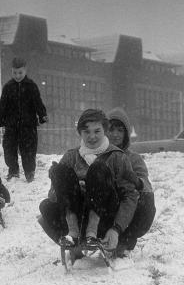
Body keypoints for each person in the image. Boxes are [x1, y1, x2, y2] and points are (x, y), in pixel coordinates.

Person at [37, 108, 140, 254]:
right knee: (49, 198)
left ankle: (93, 233)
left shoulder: (117, 157)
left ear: (105, 131)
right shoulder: (71, 156)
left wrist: (116, 228)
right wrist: (65, 185)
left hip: (106, 218)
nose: (92, 137)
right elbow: (53, 196)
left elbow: (130, 196)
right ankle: (73, 236)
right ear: (80, 133)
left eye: (97, 131)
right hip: (77, 215)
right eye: (86, 132)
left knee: (98, 169)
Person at [105, 108, 156, 255]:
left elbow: (145, 185)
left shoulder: (133, 158)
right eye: (111, 129)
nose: (115, 134)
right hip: (104, 206)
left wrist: (136, 181)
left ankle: (126, 240)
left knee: (147, 199)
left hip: (128, 206)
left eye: (120, 130)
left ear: (126, 134)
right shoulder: (97, 155)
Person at [0, 57, 47, 182]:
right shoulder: (8, 87)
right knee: (9, 149)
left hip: (28, 125)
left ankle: (29, 172)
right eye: (14, 73)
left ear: (25, 71)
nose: (17, 76)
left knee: (28, 150)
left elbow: (37, 102)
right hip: (11, 125)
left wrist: (42, 114)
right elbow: (3, 105)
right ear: (11, 71)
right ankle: (13, 170)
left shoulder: (31, 86)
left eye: (20, 73)